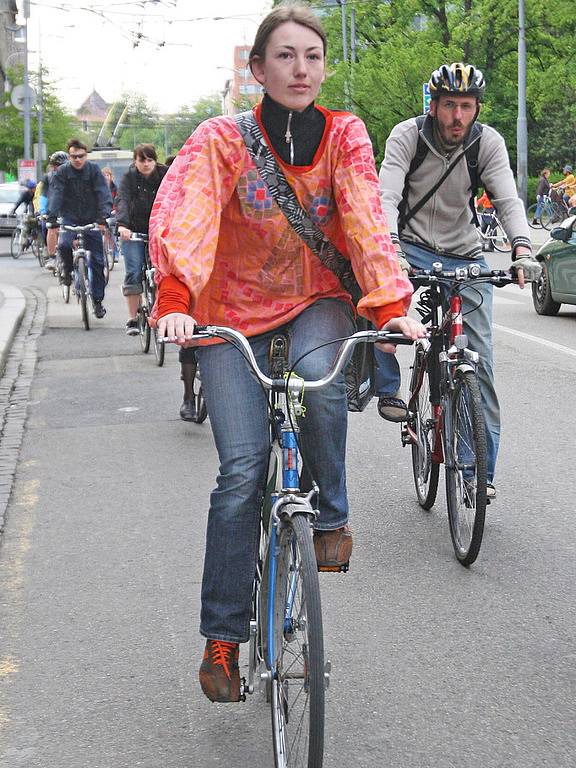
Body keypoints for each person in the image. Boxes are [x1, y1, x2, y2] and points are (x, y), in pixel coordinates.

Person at [149, 4, 425, 703]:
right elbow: (189, 210)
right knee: (242, 472)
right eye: (285, 56)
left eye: (312, 56)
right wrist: (177, 297)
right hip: (227, 313)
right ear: (258, 69)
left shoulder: (345, 137)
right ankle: (221, 638)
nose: (301, 69)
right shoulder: (221, 139)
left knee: (319, 379)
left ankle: (329, 515)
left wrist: (392, 306)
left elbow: (365, 215)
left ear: (323, 67)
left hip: (314, 300)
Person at [377, 61, 541, 501]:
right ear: (433, 105)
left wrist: (522, 248)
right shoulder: (406, 136)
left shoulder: (487, 143)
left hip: (465, 253)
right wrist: (389, 249)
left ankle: (476, 471)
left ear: (476, 108)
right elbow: (387, 195)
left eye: (466, 106)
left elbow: (507, 199)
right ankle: (385, 383)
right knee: (385, 312)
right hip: (409, 248)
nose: (456, 116)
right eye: (449, 105)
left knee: (478, 363)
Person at [47, 138, 112, 319]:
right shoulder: (62, 172)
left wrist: (103, 216)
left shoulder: (94, 171)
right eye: (73, 156)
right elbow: (56, 193)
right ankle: (67, 272)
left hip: (91, 218)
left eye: (81, 156)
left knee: (98, 261)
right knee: (64, 245)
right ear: (69, 156)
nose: (77, 160)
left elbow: (103, 193)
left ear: (86, 155)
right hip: (70, 217)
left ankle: (98, 301)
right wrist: (52, 217)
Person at [115, 144, 168, 335]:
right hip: (133, 230)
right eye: (141, 160)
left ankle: (161, 313)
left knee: (162, 271)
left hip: (159, 230)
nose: (146, 164)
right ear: (135, 161)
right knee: (134, 271)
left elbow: (176, 198)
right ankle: (133, 319)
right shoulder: (129, 178)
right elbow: (123, 200)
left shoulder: (165, 174)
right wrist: (122, 225)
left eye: (150, 160)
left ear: (155, 160)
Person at [41, 151, 69, 271]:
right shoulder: (48, 178)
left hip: (69, 209)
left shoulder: (72, 176)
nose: (59, 168)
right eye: (57, 166)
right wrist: (43, 211)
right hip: (53, 209)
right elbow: (44, 196)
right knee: (50, 228)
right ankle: (52, 256)